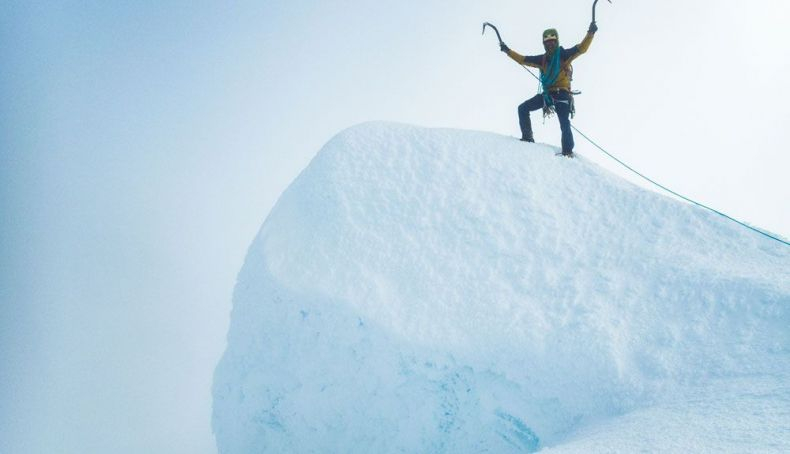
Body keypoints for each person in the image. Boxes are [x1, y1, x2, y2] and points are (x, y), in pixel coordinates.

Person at [499, 23, 598, 157]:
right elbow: (522, 59)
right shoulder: (542, 59)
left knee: (564, 122)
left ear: (556, 41)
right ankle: (527, 137)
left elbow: (581, 48)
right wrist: (508, 51)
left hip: (562, 93)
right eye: (547, 42)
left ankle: (567, 152)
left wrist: (590, 34)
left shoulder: (563, 54)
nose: (550, 44)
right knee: (522, 108)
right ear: (544, 44)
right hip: (547, 95)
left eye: (552, 42)